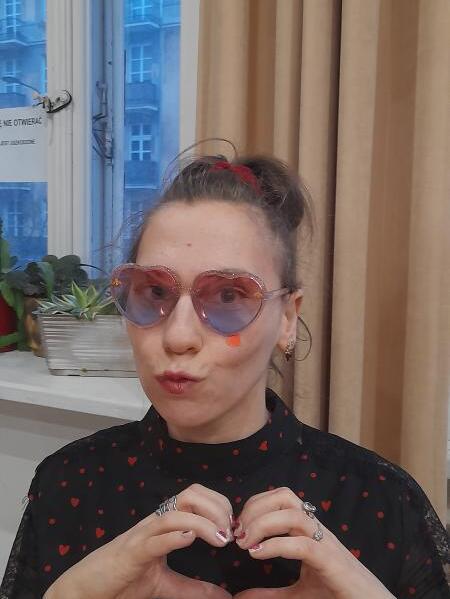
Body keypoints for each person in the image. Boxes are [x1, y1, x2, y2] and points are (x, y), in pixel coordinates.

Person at [1, 153, 449, 599]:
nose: (178, 336)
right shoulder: (70, 482)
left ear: (287, 319)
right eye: (154, 291)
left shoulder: (380, 500)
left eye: (229, 295)